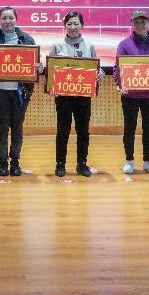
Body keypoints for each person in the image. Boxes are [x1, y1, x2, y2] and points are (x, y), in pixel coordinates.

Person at [0, 6, 43, 177]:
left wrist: (39, 68)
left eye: (10, 18)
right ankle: (2, 161)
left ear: (16, 20)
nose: (7, 21)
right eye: (4, 18)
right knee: (2, 127)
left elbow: (37, 63)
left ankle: (15, 161)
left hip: (20, 93)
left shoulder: (26, 39)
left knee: (17, 127)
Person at [48, 11, 104, 177]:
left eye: (76, 23)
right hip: (63, 96)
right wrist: (51, 85)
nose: (73, 27)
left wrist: (100, 73)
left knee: (83, 131)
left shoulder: (90, 46)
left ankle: (82, 163)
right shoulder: (57, 45)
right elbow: (50, 70)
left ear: (82, 26)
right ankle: (60, 163)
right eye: (69, 24)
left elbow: (95, 68)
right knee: (63, 130)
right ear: (65, 26)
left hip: (83, 96)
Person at [113, 9, 149, 176]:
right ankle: (129, 161)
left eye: (143, 22)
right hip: (130, 95)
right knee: (129, 128)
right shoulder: (124, 44)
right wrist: (120, 84)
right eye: (136, 22)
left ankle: (147, 161)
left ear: (148, 23)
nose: (140, 25)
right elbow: (117, 69)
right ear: (132, 24)